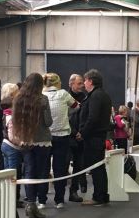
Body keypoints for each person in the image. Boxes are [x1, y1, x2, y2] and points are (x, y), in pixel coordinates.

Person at [10, 73, 52, 218]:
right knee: (40, 173)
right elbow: (48, 122)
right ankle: (38, 203)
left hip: (25, 140)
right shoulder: (43, 99)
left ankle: (30, 203)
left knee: (29, 172)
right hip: (42, 141)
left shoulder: (18, 99)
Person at [43, 73, 78, 209]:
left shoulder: (42, 95)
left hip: (45, 136)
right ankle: (59, 200)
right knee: (60, 169)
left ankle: (42, 199)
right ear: (58, 82)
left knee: (44, 168)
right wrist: (66, 113)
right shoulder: (64, 94)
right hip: (62, 136)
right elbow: (76, 106)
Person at [78, 68, 112, 206]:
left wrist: (83, 133)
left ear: (90, 81)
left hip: (93, 137)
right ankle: (101, 195)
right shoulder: (102, 95)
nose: (84, 83)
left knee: (97, 168)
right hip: (97, 136)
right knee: (99, 168)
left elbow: (92, 118)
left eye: (85, 80)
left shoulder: (96, 96)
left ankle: (98, 196)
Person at [67, 73, 87, 203]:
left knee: (79, 165)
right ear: (71, 84)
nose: (82, 86)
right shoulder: (65, 97)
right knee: (63, 166)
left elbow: (86, 116)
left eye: (82, 83)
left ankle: (73, 191)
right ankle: (59, 195)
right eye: (79, 83)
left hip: (81, 136)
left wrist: (82, 132)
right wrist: (74, 132)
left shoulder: (85, 97)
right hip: (67, 136)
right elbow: (65, 118)